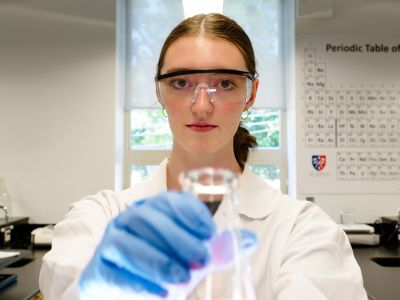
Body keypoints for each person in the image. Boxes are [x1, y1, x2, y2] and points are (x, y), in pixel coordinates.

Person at [39, 13, 368, 300]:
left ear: (251, 93)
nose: (201, 106)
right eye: (181, 82)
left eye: (224, 83)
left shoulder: (304, 229)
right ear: (159, 92)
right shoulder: (99, 218)